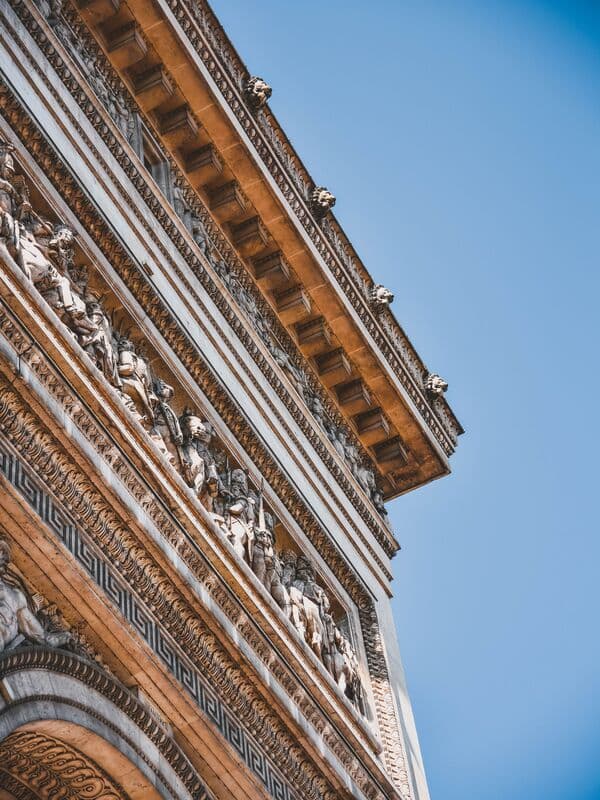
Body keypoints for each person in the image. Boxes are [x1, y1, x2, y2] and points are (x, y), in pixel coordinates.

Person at [0, 537, 71, 652]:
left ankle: (46, 638)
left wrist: (33, 606)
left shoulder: (15, 595)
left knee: (18, 598)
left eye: (1, 552)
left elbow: (27, 624)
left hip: (6, 638)